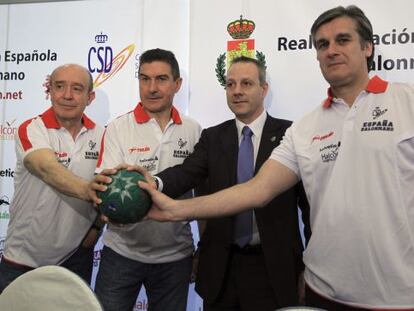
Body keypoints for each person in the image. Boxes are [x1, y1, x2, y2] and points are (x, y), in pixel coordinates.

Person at [139, 5, 414, 311]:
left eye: (342, 40)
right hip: (323, 291)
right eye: (322, 45)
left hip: (398, 295)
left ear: (367, 46)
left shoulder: (407, 102)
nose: (331, 51)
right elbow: (256, 190)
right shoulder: (306, 128)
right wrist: (174, 206)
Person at [153, 56, 310, 311]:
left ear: (264, 89)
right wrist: (153, 182)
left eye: (246, 83)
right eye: (230, 84)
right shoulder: (212, 137)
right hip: (221, 272)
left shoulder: (290, 136)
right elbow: (185, 173)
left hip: (275, 271)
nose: (237, 91)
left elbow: (310, 209)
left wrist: (309, 268)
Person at [94, 48, 201, 311]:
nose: (152, 88)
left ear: (177, 84)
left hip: (175, 257)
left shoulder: (193, 129)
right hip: (121, 253)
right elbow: (105, 189)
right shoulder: (118, 128)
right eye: (144, 79)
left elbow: (203, 195)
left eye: (161, 79)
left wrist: (204, 248)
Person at [0, 64, 104, 293]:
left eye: (77, 88)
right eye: (59, 86)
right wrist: (88, 190)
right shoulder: (31, 128)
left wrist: (96, 228)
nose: (67, 95)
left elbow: (108, 185)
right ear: (50, 91)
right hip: (23, 258)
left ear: (90, 97)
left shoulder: (103, 134)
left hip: (75, 257)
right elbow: (46, 168)